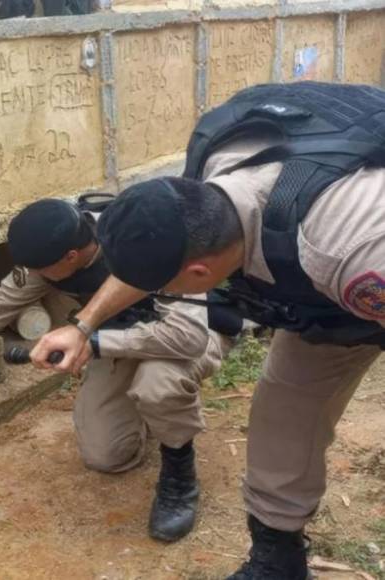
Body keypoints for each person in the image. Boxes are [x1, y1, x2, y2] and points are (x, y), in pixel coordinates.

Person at [29, 81, 385, 580]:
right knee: (283, 411)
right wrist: (84, 326)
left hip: (358, 249)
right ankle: (277, 560)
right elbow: (157, 256)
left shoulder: (347, 250)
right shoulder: (209, 182)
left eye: (162, 286)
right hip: (326, 288)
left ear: (199, 274)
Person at [0, 196, 235, 542]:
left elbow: (187, 337)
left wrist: (94, 344)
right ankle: (149, 414)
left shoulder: (147, 241)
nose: (34, 275)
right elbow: (0, 304)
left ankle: (179, 476)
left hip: (194, 333)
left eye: (40, 269)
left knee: (157, 384)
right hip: (122, 339)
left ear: (71, 256)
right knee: (105, 455)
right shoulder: (56, 253)